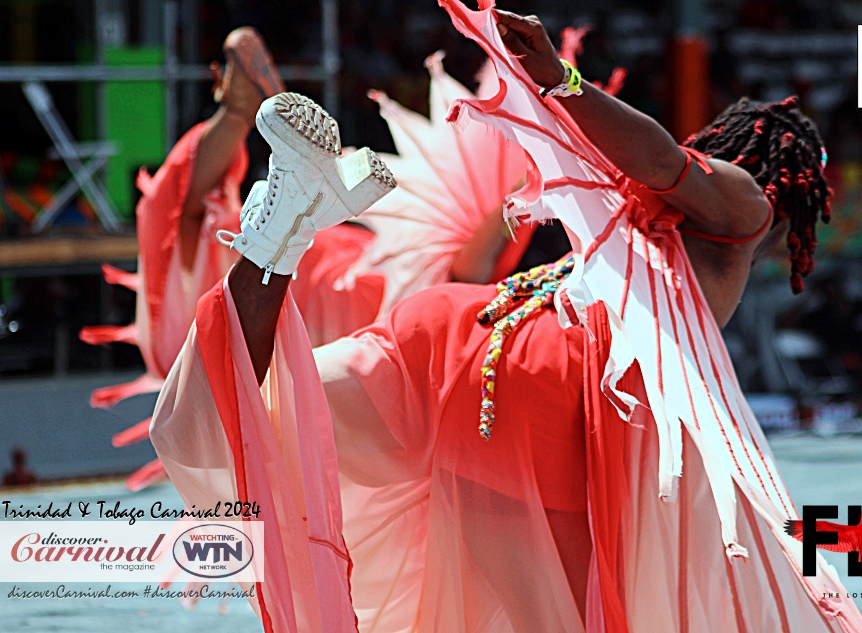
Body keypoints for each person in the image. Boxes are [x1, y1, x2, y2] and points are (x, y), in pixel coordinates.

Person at [150, 5, 862, 632]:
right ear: (788, 190)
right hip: (543, 403)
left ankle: (279, 238)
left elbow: (472, 271)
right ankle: (285, 229)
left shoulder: (627, 221)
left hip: (455, 334)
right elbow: (658, 156)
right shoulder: (743, 210)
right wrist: (563, 83)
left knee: (217, 415)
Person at [80, 30, 531, 490]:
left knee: (198, 260)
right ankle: (265, 143)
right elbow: (459, 280)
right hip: (344, 303)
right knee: (205, 250)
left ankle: (259, 136)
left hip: (330, 307)